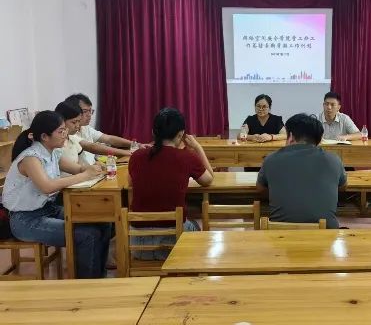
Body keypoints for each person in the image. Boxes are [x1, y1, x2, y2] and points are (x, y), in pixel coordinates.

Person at [2, 111, 111, 278]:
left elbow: (78, 169)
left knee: (104, 221)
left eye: (64, 130)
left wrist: (92, 168)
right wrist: (84, 175)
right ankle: (86, 284)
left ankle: (99, 276)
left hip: (48, 210)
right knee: (88, 235)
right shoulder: (31, 158)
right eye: (61, 131)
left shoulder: (53, 152)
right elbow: (47, 186)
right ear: (44, 136)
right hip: (26, 219)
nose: (65, 134)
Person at [128, 108, 214, 260]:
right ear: (181, 134)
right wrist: (197, 147)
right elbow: (208, 180)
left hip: (139, 247)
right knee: (195, 226)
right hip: (173, 247)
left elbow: (131, 182)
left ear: (153, 132)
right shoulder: (187, 157)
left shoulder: (136, 156)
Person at [257, 113, 347, 228]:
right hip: (326, 234)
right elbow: (343, 187)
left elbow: (260, 188)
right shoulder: (334, 159)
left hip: (281, 233)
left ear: (290, 136)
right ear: (319, 139)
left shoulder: (271, 159)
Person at [65, 93, 141, 164]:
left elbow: (109, 139)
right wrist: (128, 153)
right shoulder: (68, 132)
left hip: (94, 167)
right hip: (83, 171)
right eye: (85, 111)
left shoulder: (85, 127)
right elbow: (92, 147)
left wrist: (136, 145)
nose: (89, 115)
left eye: (90, 111)